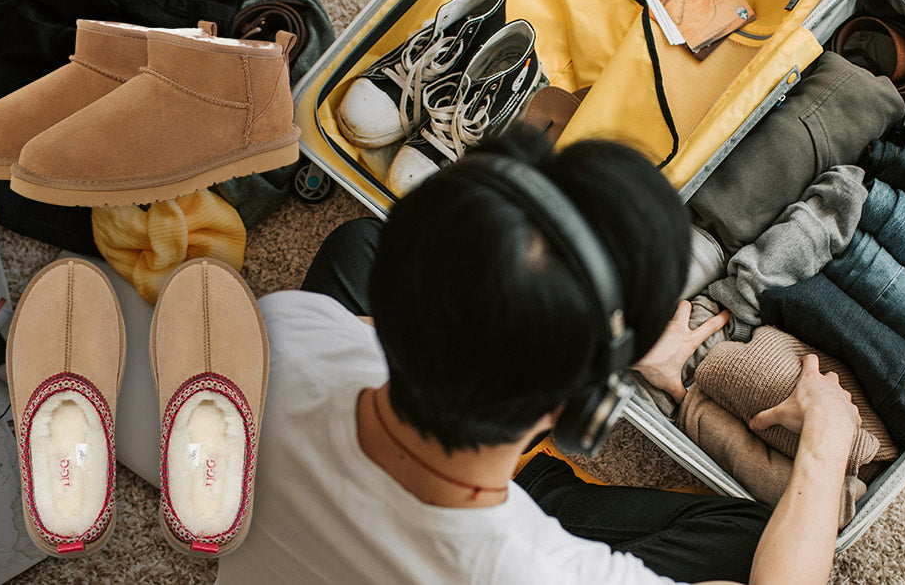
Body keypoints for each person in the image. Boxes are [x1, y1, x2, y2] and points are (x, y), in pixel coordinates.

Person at [218, 129, 861, 584]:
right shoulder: (548, 572)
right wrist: (826, 443)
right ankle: (543, 476)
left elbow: (376, 334)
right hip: (488, 523)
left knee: (358, 244)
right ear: (587, 411)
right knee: (754, 546)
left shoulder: (283, 328)